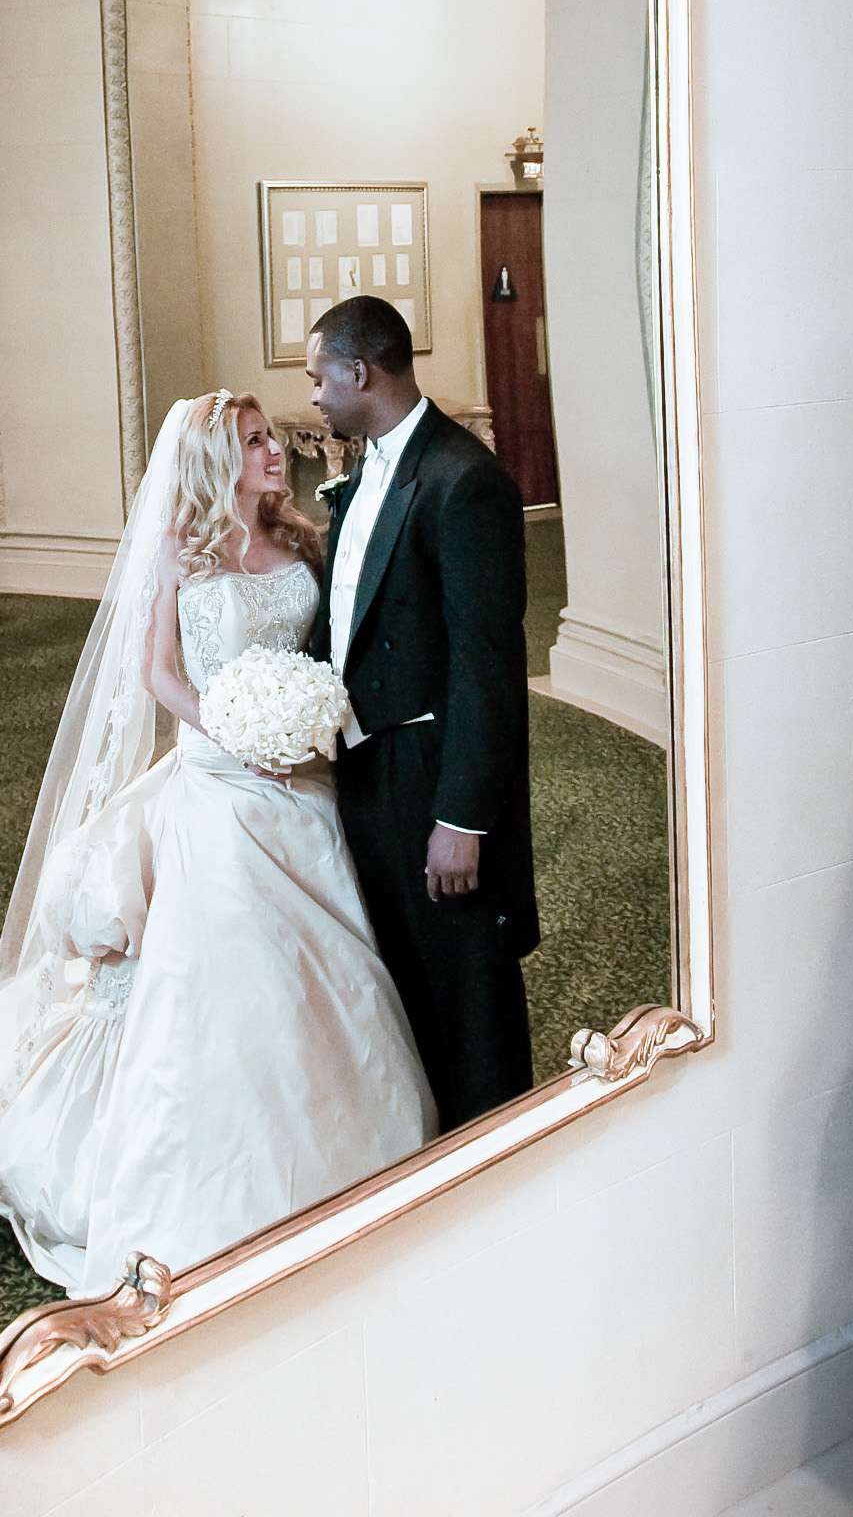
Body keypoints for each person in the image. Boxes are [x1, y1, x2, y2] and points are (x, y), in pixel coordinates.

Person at [0, 390, 435, 1299]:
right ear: (214, 462)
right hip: (220, 789)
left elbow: (326, 657)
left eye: (272, 437)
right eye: (256, 442)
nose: (277, 451)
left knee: (336, 968)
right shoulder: (178, 553)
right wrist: (233, 732)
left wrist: (299, 727)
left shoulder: (304, 538)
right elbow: (156, 671)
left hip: (303, 782)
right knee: (228, 977)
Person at [305, 297, 538, 1131]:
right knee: (402, 966)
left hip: (432, 776)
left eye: (319, 378)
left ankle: (497, 1149)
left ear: (358, 371)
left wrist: (462, 817)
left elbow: (487, 667)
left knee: (466, 982)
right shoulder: (366, 467)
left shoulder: (462, 480)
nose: (315, 397)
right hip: (367, 765)